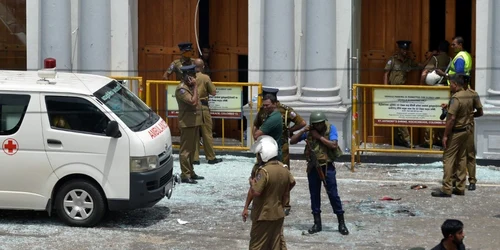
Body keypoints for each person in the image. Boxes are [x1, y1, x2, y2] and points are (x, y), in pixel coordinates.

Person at [290, 111, 349, 235]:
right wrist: (303, 131)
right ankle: (317, 223)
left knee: (333, 194)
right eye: (316, 124)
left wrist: (319, 137)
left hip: (327, 167)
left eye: (321, 123)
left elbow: (334, 145)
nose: (319, 126)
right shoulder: (310, 131)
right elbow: (293, 141)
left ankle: (341, 222)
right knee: (314, 195)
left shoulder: (330, 129)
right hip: (313, 167)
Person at [253, 87, 306, 215]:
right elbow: (256, 124)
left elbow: (302, 123)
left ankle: (285, 203)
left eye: (266, 102)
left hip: (281, 146)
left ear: (274, 101)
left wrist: (290, 131)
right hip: (265, 147)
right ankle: (265, 200)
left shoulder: (285, 110)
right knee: (263, 173)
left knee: (283, 175)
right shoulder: (262, 110)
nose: (264, 105)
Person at [242, 135, 296, 250]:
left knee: (256, 245)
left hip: (263, 214)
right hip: (278, 213)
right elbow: (292, 182)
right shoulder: (283, 168)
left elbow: (255, 191)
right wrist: (280, 193)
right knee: (276, 244)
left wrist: (252, 183)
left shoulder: (264, 171)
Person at [431, 75, 473, 197]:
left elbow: (451, 118)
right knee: (461, 158)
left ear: (455, 84)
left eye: (451, 84)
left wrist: (445, 136)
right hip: (466, 130)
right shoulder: (469, 95)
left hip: (456, 131)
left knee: (448, 159)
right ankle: (460, 187)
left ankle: (447, 188)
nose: (450, 86)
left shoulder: (456, 98)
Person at [384, 40, 421, 148]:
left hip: (402, 91)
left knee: (398, 114)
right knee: (399, 115)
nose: (404, 52)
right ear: (399, 49)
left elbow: (419, 65)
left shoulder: (408, 62)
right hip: (392, 90)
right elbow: (386, 74)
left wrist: (432, 59)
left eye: (406, 50)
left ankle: (398, 139)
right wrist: (385, 88)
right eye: (403, 49)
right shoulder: (393, 60)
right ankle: (407, 140)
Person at [175, 64, 204, 184]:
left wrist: (193, 87)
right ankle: (185, 175)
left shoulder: (189, 87)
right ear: (187, 77)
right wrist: (196, 86)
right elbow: (193, 101)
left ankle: (191, 172)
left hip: (194, 122)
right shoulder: (181, 89)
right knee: (186, 150)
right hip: (187, 123)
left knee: (192, 149)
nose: (194, 78)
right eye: (192, 76)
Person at [420, 40, 452, 148]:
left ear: (439, 49)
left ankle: (428, 140)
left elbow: (424, 72)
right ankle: (439, 138)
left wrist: (420, 86)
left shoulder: (435, 59)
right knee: (442, 114)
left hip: (434, 89)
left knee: (429, 113)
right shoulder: (450, 59)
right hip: (444, 89)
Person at [192, 58, 223, 165]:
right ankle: (210, 157)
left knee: (194, 133)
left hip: (191, 108)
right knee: (207, 133)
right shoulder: (205, 77)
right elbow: (213, 92)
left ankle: (195, 158)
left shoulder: (188, 78)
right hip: (203, 107)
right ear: (203, 67)